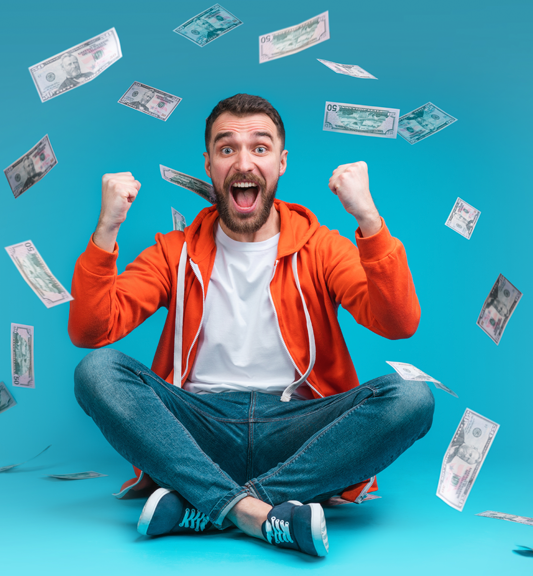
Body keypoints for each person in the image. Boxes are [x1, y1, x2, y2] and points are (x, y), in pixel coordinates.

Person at [69, 93, 433, 558]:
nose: (243, 162)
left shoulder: (321, 247)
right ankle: (261, 514)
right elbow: (89, 332)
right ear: (209, 165)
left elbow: (398, 323)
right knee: (96, 369)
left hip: (299, 431)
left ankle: (211, 505)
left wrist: (368, 219)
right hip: (200, 427)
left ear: (281, 163)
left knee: (413, 397)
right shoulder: (173, 252)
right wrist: (106, 231)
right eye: (227, 149)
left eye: (259, 148)